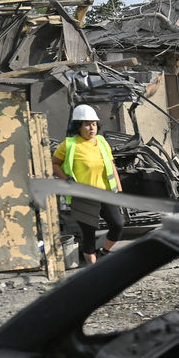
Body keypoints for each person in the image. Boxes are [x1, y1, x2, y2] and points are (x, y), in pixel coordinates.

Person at [52, 104, 122, 265]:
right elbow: (54, 164)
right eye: (87, 124)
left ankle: (105, 253)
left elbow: (111, 165)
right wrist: (66, 179)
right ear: (78, 126)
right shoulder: (69, 145)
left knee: (118, 225)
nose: (91, 128)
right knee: (89, 234)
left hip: (106, 193)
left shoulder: (102, 142)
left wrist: (119, 189)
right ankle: (94, 269)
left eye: (94, 124)